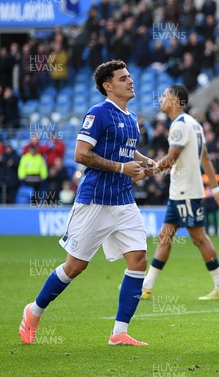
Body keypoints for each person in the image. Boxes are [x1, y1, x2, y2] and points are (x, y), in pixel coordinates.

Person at [19, 60, 157, 346]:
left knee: (139, 260)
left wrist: (144, 162)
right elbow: (81, 154)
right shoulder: (98, 113)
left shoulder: (130, 118)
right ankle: (33, 311)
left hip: (123, 200)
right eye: (123, 78)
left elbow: (126, 150)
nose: (130, 81)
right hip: (95, 200)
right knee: (75, 267)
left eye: (130, 76)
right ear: (108, 85)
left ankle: (119, 332)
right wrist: (122, 168)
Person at [141, 85, 219, 300]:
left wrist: (147, 172)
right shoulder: (194, 124)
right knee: (166, 237)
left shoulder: (179, 125)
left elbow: (172, 157)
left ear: (174, 99)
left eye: (164, 96)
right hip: (180, 192)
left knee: (199, 238)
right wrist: (215, 188)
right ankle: (146, 287)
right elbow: (205, 158)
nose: (161, 99)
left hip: (186, 191)